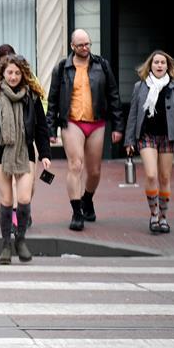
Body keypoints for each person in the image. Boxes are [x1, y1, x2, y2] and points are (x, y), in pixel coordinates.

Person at [0, 55, 51, 264]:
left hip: (26, 150)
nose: (13, 77)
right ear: (2, 73)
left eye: (17, 73)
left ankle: (21, 239)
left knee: (24, 197)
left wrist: (45, 154)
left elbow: (41, 128)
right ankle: (6, 245)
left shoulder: (32, 97)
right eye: (10, 72)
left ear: (23, 74)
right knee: (7, 199)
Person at [47, 29, 124, 231]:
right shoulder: (62, 68)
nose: (85, 48)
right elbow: (53, 100)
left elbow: (113, 95)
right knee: (75, 165)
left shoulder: (102, 65)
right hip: (72, 122)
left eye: (87, 44)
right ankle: (76, 212)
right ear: (72, 46)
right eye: (80, 45)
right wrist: (50, 130)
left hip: (97, 122)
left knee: (95, 171)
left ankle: (87, 199)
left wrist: (118, 126)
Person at [124, 50, 174, 233]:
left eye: (163, 62)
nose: (159, 65)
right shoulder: (140, 86)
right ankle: (154, 214)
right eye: (156, 62)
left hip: (168, 137)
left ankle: (164, 217)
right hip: (146, 136)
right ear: (150, 65)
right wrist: (129, 141)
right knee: (151, 175)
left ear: (167, 66)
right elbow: (133, 115)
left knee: (164, 177)